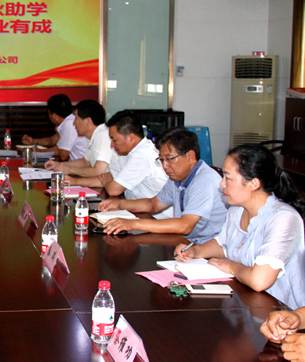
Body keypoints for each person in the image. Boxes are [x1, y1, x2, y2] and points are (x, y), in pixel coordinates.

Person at [175, 144, 305, 309]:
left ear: (253, 183)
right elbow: (223, 244)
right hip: (244, 301)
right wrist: (195, 251)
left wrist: (231, 266)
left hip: (281, 310)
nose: (222, 183)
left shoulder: (283, 218)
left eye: (228, 178)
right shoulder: (237, 210)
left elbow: (259, 280)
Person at [98, 127, 227, 243]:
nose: (165, 166)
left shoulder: (204, 180)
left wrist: (134, 224)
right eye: (161, 160)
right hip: (186, 244)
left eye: (169, 159)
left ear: (190, 156)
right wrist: (119, 204)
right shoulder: (177, 177)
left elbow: (185, 226)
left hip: (207, 250)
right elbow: (154, 204)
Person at [64, 111, 170, 218]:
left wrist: (108, 182)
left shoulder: (143, 155)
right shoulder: (127, 153)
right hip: (138, 211)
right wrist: (74, 181)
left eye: (114, 140)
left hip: (157, 218)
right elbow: (105, 179)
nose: (111, 145)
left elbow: (113, 189)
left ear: (131, 138)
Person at [44, 99, 112, 177]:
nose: (73, 123)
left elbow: (99, 172)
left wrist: (69, 170)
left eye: (76, 118)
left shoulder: (103, 135)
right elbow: (85, 162)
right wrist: (59, 165)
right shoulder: (96, 135)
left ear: (88, 121)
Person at [21, 94, 88, 161]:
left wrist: (41, 152)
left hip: (82, 166)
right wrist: (33, 141)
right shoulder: (69, 121)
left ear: (55, 116)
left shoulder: (69, 124)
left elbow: (63, 155)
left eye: (49, 113)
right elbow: (52, 140)